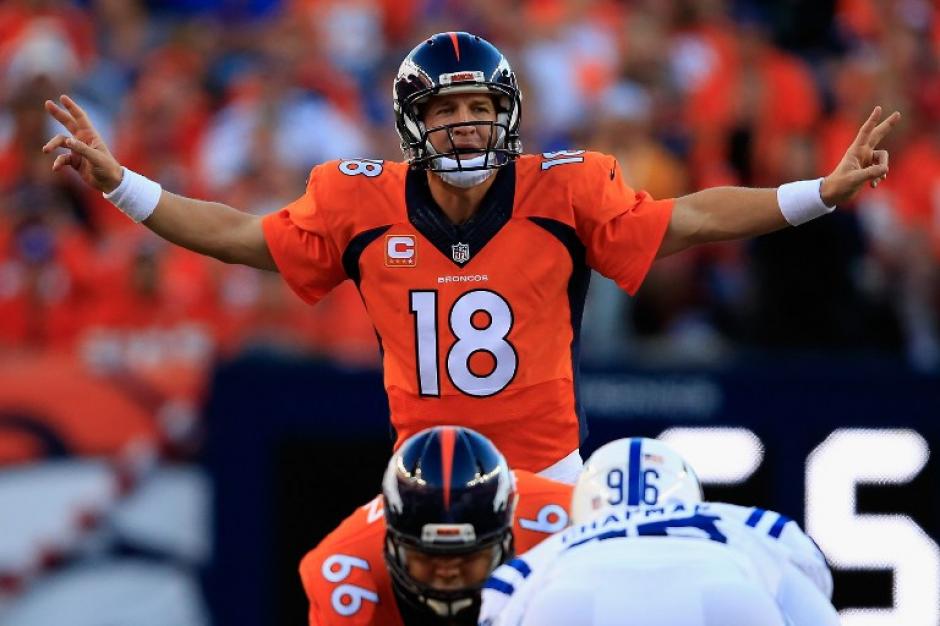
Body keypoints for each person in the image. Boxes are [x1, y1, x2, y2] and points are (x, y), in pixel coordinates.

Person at [42, 32, 900, 482]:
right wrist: (123, 184)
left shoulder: (563, 187)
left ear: (508, 116)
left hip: (550, 474)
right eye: (446, 110)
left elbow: (694, 218)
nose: (463, 124)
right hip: (419, 476)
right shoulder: (358, 199)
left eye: (479, 108)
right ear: (414, 123)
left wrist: (817, 192)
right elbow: (236, 236)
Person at [478, 437, 838, 626]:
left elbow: (496, 603)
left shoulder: (559, 549)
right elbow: (809, 571)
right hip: (726, 595)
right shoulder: (737, 524)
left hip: (576, 599)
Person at [298, 426, 572, 626]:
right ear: (392, 544)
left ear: (506, 535)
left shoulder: (562, 520)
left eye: (469, 557)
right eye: (428, 557)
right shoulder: (346, 576)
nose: (449, 573)